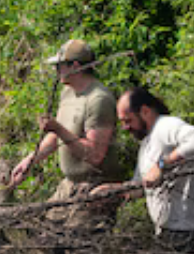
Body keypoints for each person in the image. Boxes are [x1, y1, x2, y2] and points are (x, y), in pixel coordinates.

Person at [9, 38, 122, 230]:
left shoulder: (98, 100)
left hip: (93, 189)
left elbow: (94, 155)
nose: (57, 71)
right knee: (45, 235)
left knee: (77, 252)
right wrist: (31, 160)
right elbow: (56, 137)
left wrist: (57, 129)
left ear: (75, 66)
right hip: (69, 185)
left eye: (59, 66)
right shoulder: (67, 93)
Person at [111, 85, 194, 254]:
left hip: (191, 232)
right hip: (169, 232)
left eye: (128, 120)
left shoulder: (166, 125)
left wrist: (163, 164)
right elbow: (140, 186)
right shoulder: (146, 143)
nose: (125, 127)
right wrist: (112, 190)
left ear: (144, 111)